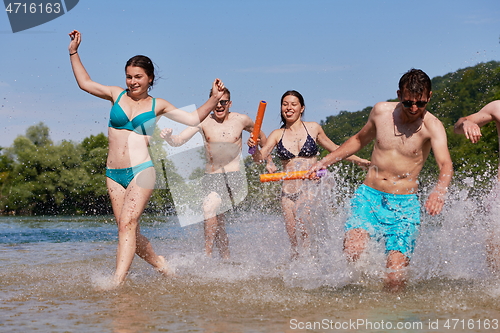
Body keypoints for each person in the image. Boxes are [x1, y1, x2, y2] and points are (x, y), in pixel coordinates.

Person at [68, 30, 226, 288]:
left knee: (128, 224)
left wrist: (214, 98)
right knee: (127, 229)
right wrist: (74, 52)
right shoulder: (116, 95)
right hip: (113, 173)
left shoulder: (158, 105)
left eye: (138, 77)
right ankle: (162, 264)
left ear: (150, 78)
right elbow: (85, 83)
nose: (132, 82)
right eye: (129, 77)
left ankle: (116, 282)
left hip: (141, 170)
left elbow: (192, 118)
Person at [308, 69, 454, 291]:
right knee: (353, 252)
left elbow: (445, 164)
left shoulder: (433, 126)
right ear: (398, 94)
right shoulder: (380, 112)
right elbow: (358, 140)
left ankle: (392, 319)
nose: (414, 109)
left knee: (394, 278)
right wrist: (324, 162)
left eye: (420, 103)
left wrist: (439, 191)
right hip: (369, 197)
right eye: (408, 103)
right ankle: (358, 309)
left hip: (404, 206)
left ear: (429, 97)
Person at [248, 90, 370, 260]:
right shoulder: (277, 134)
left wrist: (360, 161)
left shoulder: (313, 128)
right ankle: (297, 271)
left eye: (293, 104)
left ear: (302, 108)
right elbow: (260, 158)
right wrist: (253, 149)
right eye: (285, 104)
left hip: (311, 187)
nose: (288, 108)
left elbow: (336, 149)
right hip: (288, 192)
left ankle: (315, 263)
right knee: (294, 239)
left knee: (304, 223)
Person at [160, 88, 270, 259]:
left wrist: (268, 161)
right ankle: (226, 259)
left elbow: (262, 136)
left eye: (223, 102)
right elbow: (179, 141)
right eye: (216, 102)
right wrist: (168, 137)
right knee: (218, 221)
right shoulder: (202, 121)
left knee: (209, 208)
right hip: (211, 177)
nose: (219, 106)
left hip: (233, 177)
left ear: (229, 103)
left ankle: (206, 256)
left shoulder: (241, 120)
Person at [454, 100, 500, 273]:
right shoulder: (498, 107)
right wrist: (467, 123)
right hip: (499, 198)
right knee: (496, 270)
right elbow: (458, 125)